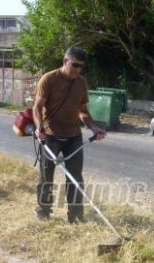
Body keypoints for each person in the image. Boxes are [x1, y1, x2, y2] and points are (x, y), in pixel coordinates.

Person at [33, 46, 106, 223]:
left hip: (73, 136)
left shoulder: (81, 82)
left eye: (81, 66)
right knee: (46, 177)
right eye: (75, 65)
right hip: (50, 136)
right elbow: (37, 107)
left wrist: (93, 127)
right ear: (65, 61)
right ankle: (44, 212)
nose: (78, 69)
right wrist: (39, 128)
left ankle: (75, 216)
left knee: (75, 178)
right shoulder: (48, 79)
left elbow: (82, 110)